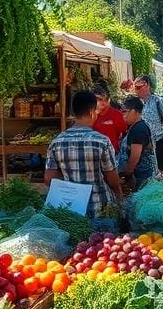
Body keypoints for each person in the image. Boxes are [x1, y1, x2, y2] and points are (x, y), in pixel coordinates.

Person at [44, 90, 122, 218]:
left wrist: (72, 186)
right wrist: (119, 194)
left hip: (72, 211)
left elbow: (48, 179)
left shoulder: (56, 142)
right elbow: (111, 177)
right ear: (92, 112)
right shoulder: (101, 141)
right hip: (100, 209)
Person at [133, 75, 163, 172]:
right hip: (142, 144)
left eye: (139, 87)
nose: (137, 90)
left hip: (158, 141)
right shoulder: (133, 103)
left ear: (148, 86)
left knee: (160, 171)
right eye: (135, 87)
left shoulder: (158, 101)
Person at [116, 96, 157, 191]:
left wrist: (127, 174)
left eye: (124, 112)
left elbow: (135, 156)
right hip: (140, 176)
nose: (122, 115)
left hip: (142, 177)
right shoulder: (136, 126)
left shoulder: (139, 129)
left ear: (134, 111)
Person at [92, 86, 127, 153]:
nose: (97, 102)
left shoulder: (117, 115)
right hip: (93, 154)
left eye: (100, 99)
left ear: (108, 100)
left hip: (111, 154)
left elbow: (124, 132)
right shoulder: (90, 114)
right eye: (95, 99)